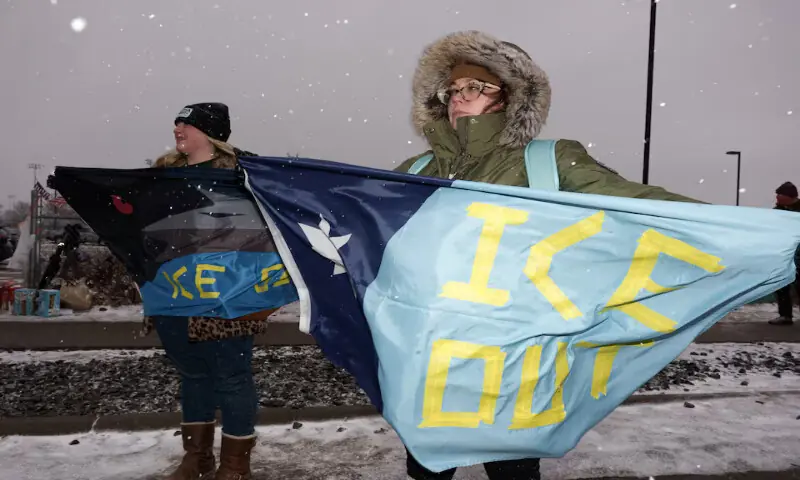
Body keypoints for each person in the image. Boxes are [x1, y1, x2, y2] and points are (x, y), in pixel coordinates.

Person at [394, 30, 700, 480]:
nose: (458, 97)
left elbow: (643, 205)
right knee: (426, 473)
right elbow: (341, 215)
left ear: (508, 98)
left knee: (513, 473)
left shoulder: (551, 161)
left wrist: (773, 235)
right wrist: (260, 177)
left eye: (474, 87)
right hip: (432, 366)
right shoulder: (417, 170)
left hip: (517, 365)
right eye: (452, 89)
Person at [145, 102, 264, 480]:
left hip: (227, 293)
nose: (178, 128)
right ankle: (196, 458)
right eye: (177, 122)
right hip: (173, 292)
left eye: (187, 123)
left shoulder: (243, 175)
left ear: (209, 132)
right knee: (193, 375)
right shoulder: (162, 175)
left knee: (232, 376)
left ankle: (235, 464)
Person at [770, 181, 800, 325]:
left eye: (779, 195)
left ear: (789, 196)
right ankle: (785, 315)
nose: (776, 198)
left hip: (798, 254)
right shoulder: (777, 211)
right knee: (782, 285)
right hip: (784, 255)